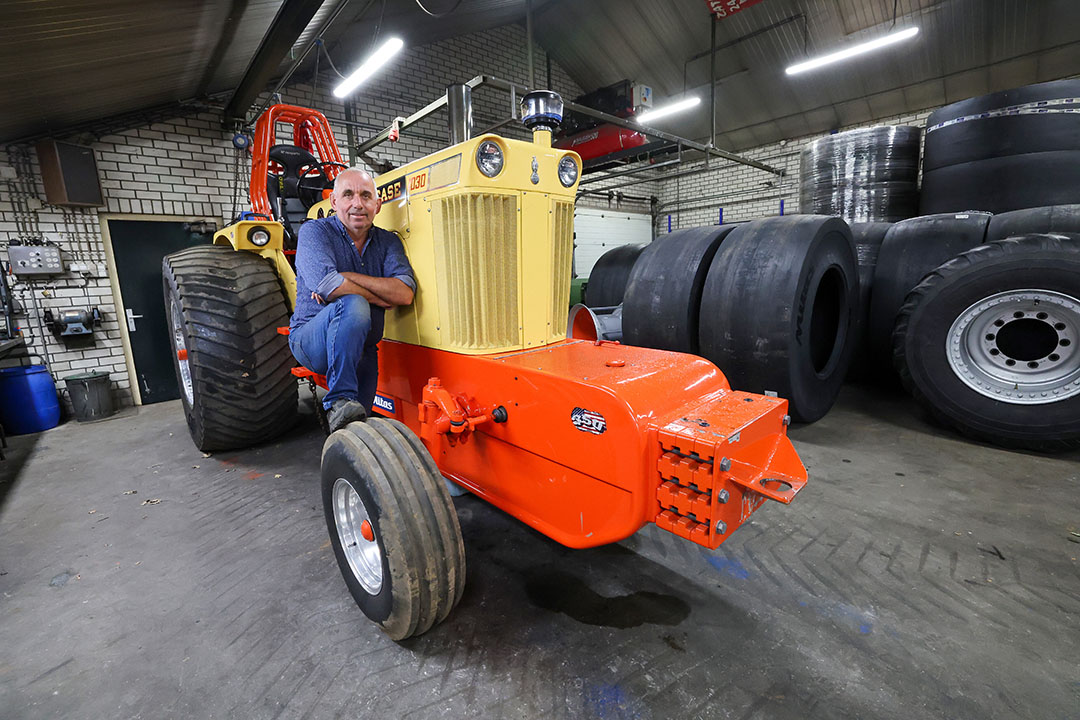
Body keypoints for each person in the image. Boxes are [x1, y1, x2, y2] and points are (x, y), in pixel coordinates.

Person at [288, 168, 415, 432]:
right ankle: (339, 398)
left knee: (358, 428)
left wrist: (347, 277)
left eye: (366, 196)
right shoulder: (315, 232)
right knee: (354, 303)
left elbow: (404, 293)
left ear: (377, 205)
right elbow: (329, 286)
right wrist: (377, 297)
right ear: (334, 202)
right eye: (348, 195)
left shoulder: (388, 242)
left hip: (364, 349)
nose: (357, 203)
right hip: (311, 339)